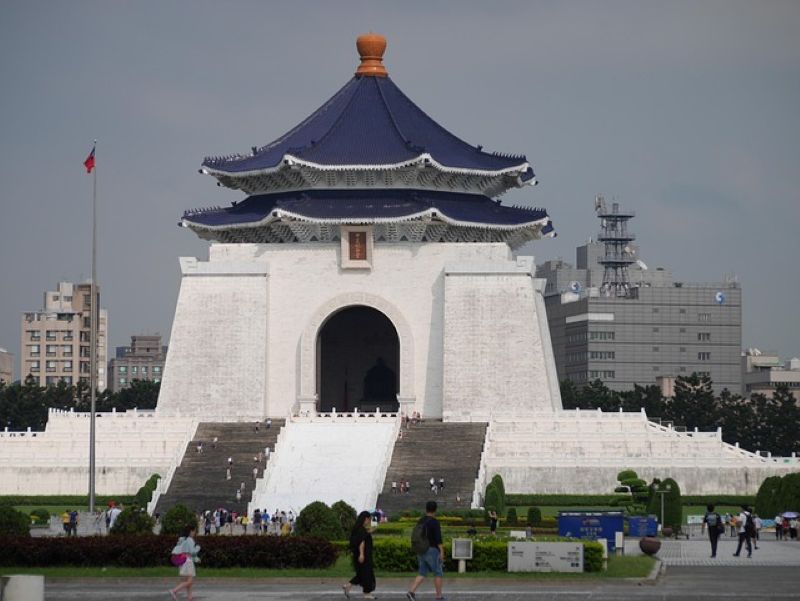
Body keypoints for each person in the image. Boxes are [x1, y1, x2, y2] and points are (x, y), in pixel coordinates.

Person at [406, 500, 445, 601]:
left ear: (426, 509)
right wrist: (441, 551)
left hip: (421, 549)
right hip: (432, 550)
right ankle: (439, 596)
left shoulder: (421, 520)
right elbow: (438, 538)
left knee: (422, 572)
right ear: (435, 509)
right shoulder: (434, 522)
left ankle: (411, 592)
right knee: (438, 573)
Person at [343, 511, 376, 599]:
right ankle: (367, 593)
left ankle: (348, 586)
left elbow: (362, 537)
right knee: (367, 573)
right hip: (363, 555)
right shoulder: (361, 530)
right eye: (369, 519)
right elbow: (361, 542)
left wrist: (369, 532)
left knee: (362, 574)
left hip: (358, 555)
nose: (369, 522)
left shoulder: (358, 529)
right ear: (365, 519)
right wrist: (362, 554)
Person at [169, 526, 201, 600]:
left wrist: (196, 559)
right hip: (188, 561)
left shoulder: (182, 539)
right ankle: (174, 591)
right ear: (190, 531)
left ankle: (190, 598)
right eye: (194, 531)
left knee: (188, 581)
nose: (194, 533)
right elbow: (192, 552)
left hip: (183, 561)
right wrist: (198, 548)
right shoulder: (190, 540)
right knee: (189, 581)